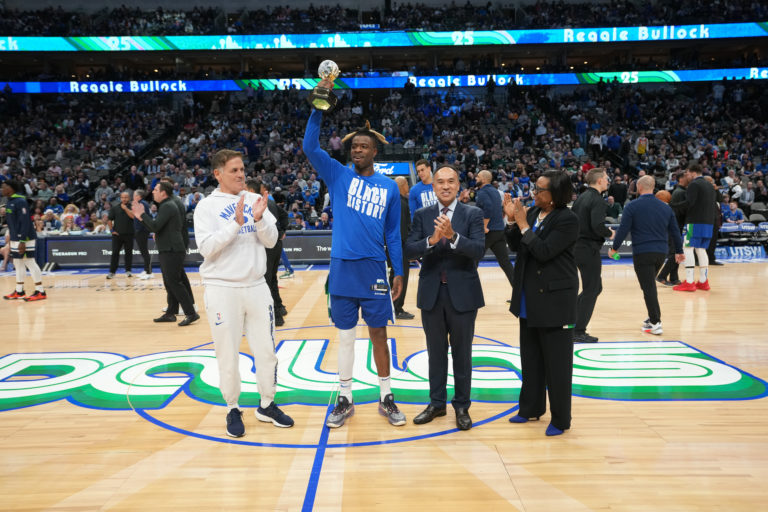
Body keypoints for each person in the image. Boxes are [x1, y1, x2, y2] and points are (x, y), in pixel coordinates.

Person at [303, 92, 405, 429]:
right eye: (354, 147)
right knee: (345, 336)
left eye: (364, 146)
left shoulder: (389, 187)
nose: (358, 150)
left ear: (375, 152)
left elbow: (393, 235)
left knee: (378, 334)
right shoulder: (337, 175)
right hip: (343, 268)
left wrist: (399, 271)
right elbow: (309, 148)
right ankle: (345, 399)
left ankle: (386, 396)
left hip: (375, 269)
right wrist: (319, 108)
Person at [194, 150, 293, 437]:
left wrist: (260, 219)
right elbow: (207, 248)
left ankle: (267, 404)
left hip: (257, 286)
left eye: (242, 170)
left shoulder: (254, 200)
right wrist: (236, 224)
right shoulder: (206, 207)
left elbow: (272, 240)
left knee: (266, 351)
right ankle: (232, 408)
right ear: (218, 174)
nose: (240, 175)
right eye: (234, 170)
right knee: (228, 353)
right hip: (222, 288)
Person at [405, 165, 485, 430]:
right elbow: (409, 249)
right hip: (432, 295)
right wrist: (431, 239)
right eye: (440, 182)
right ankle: (436, 403)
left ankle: (462, 406)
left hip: (463, 295)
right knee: (435, 353)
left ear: (459, 185)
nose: (446, 186)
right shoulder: (421, 214)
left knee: (463, 354)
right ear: (433, 187)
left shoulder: (472, 213)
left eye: (451, 181)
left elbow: (478, 250)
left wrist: (453, 237)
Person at [503, 170, 578, 437]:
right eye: (535, 188)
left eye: (540, 190)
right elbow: (517, 246)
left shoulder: (568, 220)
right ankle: (530, 408)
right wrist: (512, 223)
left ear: (555, 194)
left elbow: (544, 252)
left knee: (557, 365)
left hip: (556, 300)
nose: (534, 193)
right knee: (531, 358)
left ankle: (560, 418)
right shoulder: (534, 214)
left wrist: (523, 225)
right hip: (529, 298)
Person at [609, 176, 684, 335]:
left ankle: (656, 323)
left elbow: (623, 230)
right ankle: (652, 317)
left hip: (643, 252)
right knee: (648, 286)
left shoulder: (632, 206)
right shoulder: (666, 208)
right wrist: (679, 251)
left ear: (639, 187)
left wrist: (614, 248)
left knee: (648, 288)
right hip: (660, 253)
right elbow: (675, 231)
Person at [131, 181, 198, 326]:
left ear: (163, 193)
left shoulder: (168, 206)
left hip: (172, 249)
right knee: (170, 282)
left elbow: (155, 226)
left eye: (155, 189)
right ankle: (170, 313)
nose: (153, 192)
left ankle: (191, 313)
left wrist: (141, 214)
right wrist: (142, 218)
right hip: (170, 247)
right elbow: (159, 227)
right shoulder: (167, 204)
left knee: (174, 282)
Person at [571, 168, 614, 343]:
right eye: (605, 178)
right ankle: (578, 330)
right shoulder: (597, 200)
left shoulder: (581, 197)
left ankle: (571, 321)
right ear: (598, 181)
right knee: (592, 289)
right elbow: (597, 225)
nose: (607, 180)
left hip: (577, 246)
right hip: (588, 248)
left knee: (594, 288)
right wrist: (609, 232)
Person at [247, 180, 289, 326]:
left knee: (266, 281)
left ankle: (277, 317)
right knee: (272, 279)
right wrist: (282, 231)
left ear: (251, 191)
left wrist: (281, 232)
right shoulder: (269, 202)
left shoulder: (259, 204)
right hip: (276, 245)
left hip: (268, 246)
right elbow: (284, 215)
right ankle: (280, 307)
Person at [673, 163, 716, 292]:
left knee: (687, 248)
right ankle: (703, 281)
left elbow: (689, 204)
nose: (686, 176)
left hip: (694, 222)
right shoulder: (710, 185)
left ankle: (689, 282)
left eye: (687, 173)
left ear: (693, 172)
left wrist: (672, 206)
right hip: (708, 222)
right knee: (701, 250)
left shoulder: (694, 184)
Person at [2, 180, 46, 301]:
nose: (2, 189)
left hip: (25, 237)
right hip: (15, 237)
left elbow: (25, 221)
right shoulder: (9, 201)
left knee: (29, 262)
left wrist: (22, 240)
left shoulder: (20, 201)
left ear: (11, 188)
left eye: (4, 187)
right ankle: (19, 291)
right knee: (17, 263)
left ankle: (40, 291)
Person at [475, 170, 515, 287]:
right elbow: (500, 208)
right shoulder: (496, 191)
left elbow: (488, 207)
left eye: (477, 177)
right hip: (499, 231)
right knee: (505, 263)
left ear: (483, 179)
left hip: (489, 232)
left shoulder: (482, 192)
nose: (476, 179)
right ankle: (519, 294)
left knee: (473, 260)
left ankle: (468, 294)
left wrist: (484, 226)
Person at [388, 176, 413, 320]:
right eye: (407, 185)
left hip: (392, 247)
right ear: (403, 186)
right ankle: (397, 308)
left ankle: (392, 307)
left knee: (393, 276)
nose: (408, 188)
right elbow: (402, 231)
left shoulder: (393, 201)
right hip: (399, 248)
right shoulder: (401, 203)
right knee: (400, 276)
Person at [658, 171, 689, 286]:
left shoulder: (680, 191)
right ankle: (661, 276)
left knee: (676, 252)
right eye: (686, 177)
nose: (689, 178)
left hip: (677, 226)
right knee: (675, 253)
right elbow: (677, 211)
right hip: (675, 227)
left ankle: (674, 277)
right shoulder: (679, 192)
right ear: (681, 179)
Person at [106, 191, 135, 279]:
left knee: (128, 253)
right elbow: (109, 220)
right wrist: (111, 230)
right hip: (117, 235)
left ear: (129, 198)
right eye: (123, 197)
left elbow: (133, 217)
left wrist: (126, 209)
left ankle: (128, 271)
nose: (124, 199)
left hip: (129, 234)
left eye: (126, 197)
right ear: (120, 198)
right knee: (115, 253)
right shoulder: (115, 208)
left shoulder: (132, 207)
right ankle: (112, 272)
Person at [130, 189, 153, 279]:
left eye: (134, 195)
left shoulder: (142, 204)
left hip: (142, 230)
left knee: (144, 251)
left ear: (138, 196)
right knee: (143, 251)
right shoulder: (142, 203)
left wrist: (139, 229)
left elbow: (144, 218)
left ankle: (149, 272)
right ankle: (147, 269)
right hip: (141, 230)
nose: (133, 196)